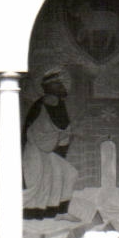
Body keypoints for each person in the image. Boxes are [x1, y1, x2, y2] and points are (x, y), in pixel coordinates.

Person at [23, 68, 79, 219]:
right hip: (36, 151)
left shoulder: (57, 103)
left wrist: (63, 135)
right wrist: (61, 135)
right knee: (37, 187)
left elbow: (62, 128)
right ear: (49, 87)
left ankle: (60, 212)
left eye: (62, 84)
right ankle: (2, 209)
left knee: (69, 173)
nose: (63, 88)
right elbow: (38, 134)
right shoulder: (45, 103)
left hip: (47, 151)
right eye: (58, 85)